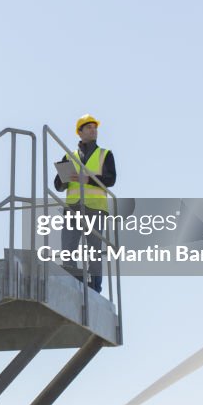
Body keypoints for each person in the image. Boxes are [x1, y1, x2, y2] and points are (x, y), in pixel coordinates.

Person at [53, 114, 117, 293]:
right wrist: (64, 180)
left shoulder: (105, 154)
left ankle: (94, 287)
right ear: (79, 132)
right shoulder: (69, 155)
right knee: (68, 249)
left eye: (94, 127)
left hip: (95, 208)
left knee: (94, 251)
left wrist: (88, 179)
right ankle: (73, 284)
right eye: (89, 127)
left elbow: (110, 180)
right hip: (72, 208)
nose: (93, 130)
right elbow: (57, 185)